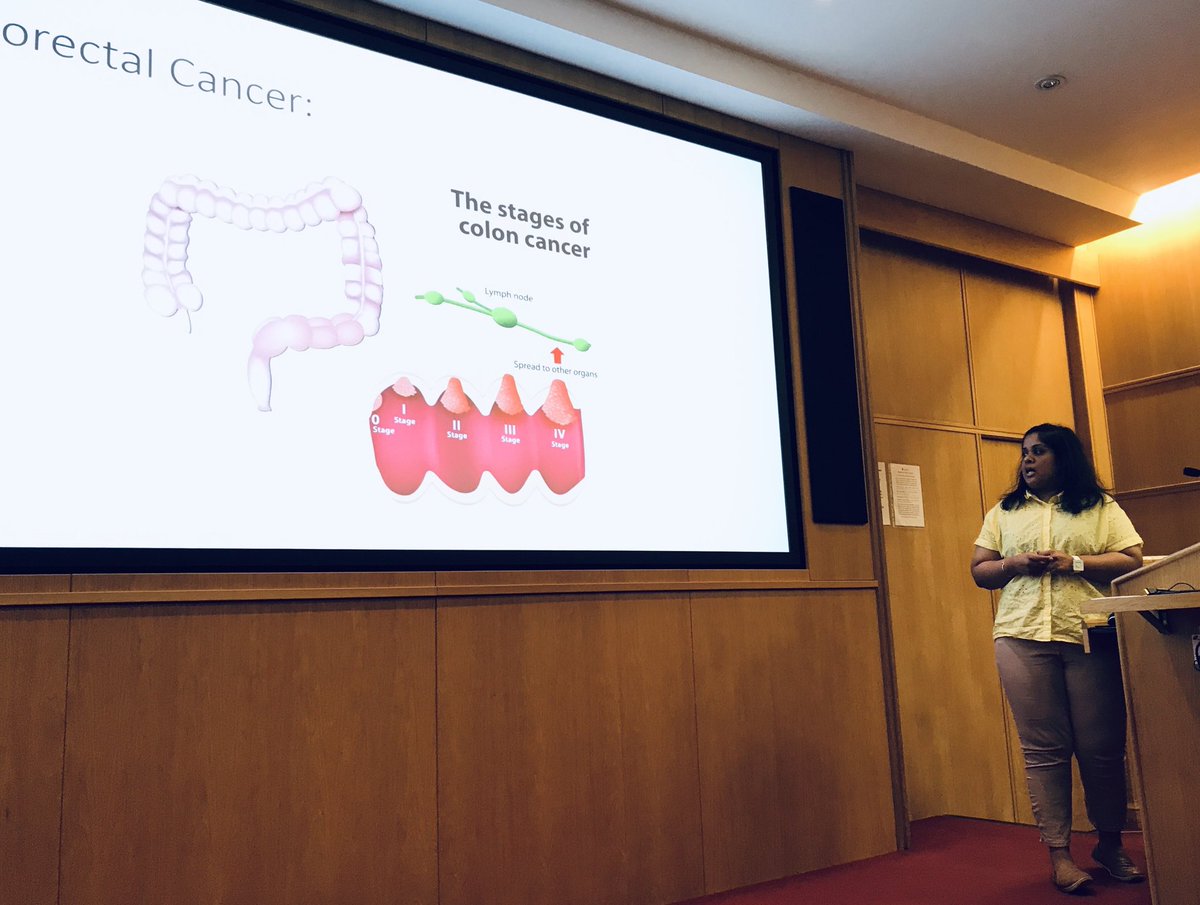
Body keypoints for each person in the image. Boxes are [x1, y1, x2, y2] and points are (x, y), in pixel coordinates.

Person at [969, 423, 1146, 894]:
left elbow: (1133, 559)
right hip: (1021, 636)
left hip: (1089, 635)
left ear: (1063, 457)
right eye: (1025, 452)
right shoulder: (1005, 511)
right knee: (1044, 751)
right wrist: (1012, 564)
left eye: (1039, 451)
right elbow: (980, 570)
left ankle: (1110, 844)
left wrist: (1075, 563)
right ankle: (1060, 855)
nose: (1027, 460)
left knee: (1101, 749)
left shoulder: (1099, 507)